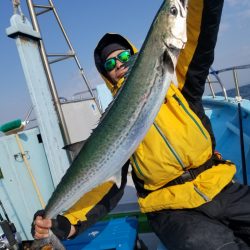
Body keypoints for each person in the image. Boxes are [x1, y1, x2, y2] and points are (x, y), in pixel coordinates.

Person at [32, 1, 250, 249]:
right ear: (106, 75)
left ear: (135, 54)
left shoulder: (177, 81)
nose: (118, 64)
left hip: (219, 184)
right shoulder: (113, 119)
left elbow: (200, 30)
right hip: (170, 208)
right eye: (109, 64)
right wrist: (64, 221)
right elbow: (103, 181)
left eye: (124, 56)